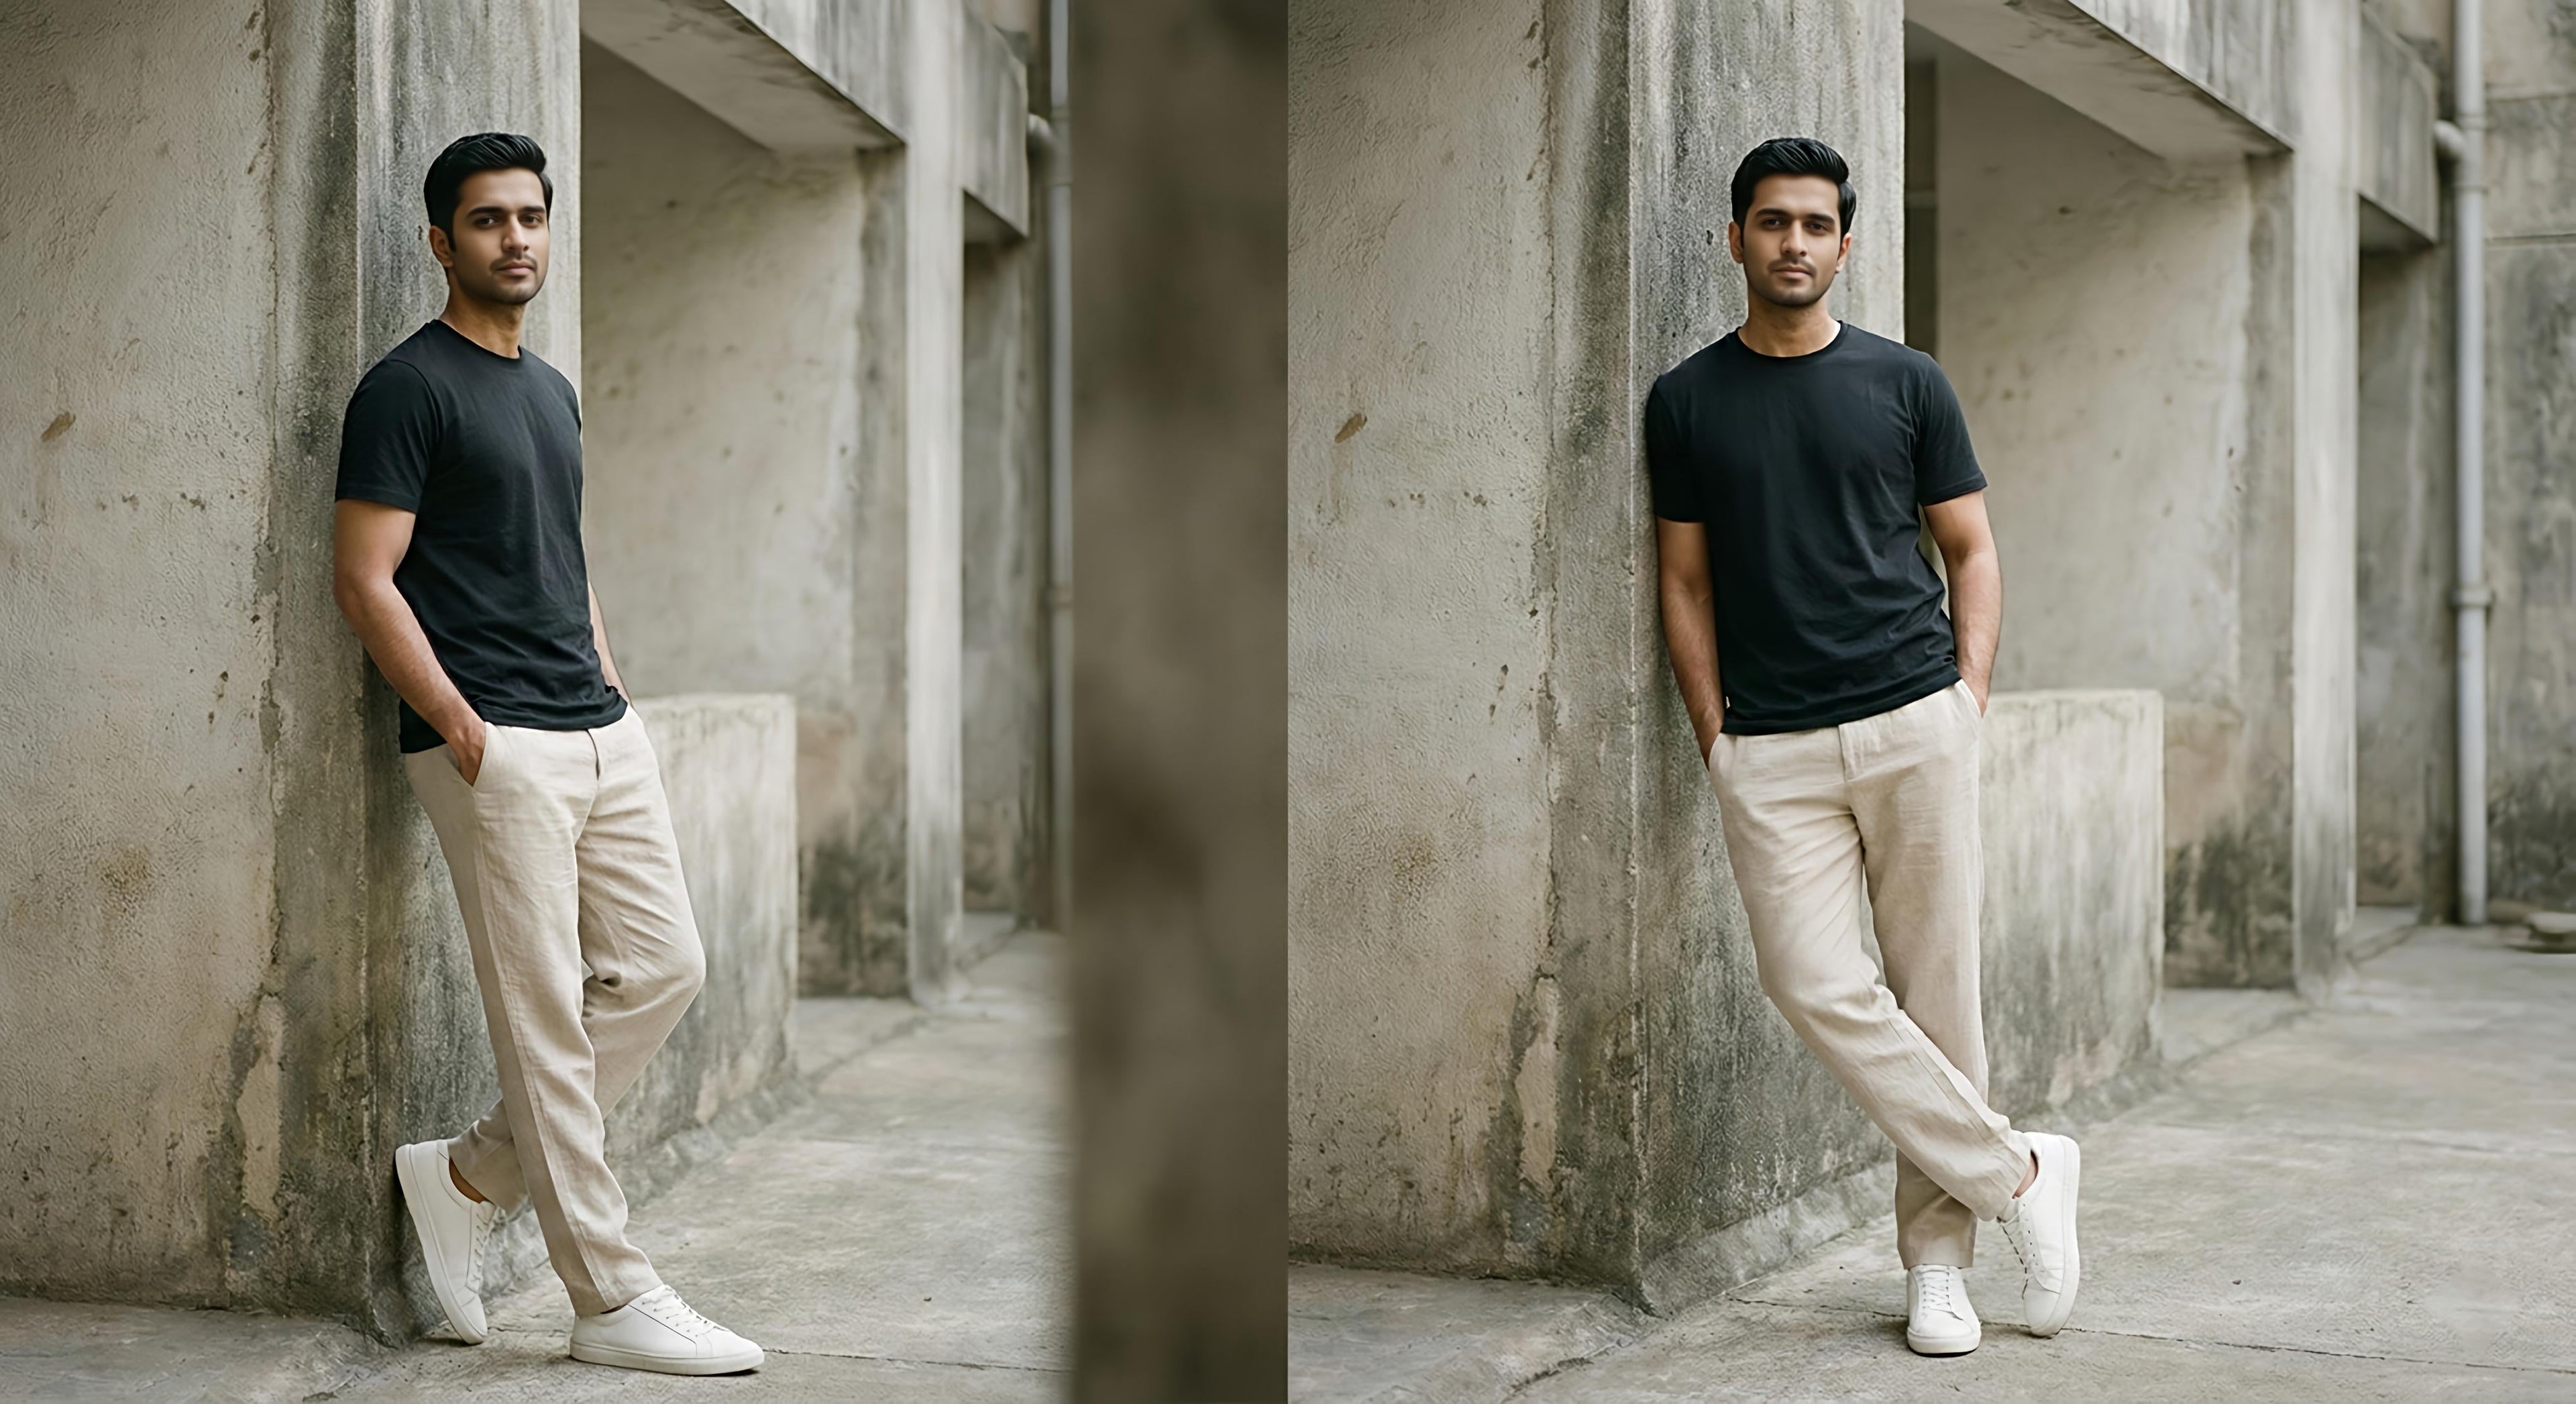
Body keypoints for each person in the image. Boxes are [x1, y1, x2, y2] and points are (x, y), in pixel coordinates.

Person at [330, 131, 762, 1376]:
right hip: (494, 746)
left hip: (596, 725)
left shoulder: (553, 389)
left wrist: (611, 684)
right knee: (544, 1026)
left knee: (665, 967)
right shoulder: (406, 390)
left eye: (530, 217)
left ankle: (465, 1174)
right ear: (439, 241)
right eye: (486, 221)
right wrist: (466, 733)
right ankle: (609, 1296)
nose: (515, 239)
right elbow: (366, 581)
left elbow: (558, 562)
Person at [1646, 136, 2081, 1358]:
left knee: (1942, 997)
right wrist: (1715, 734)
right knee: (1813, 982)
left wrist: (1967, 698)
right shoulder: (1685, 400)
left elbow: (1972, 549)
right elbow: (1683, 580)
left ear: (1847, 242)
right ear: (1734, 238)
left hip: (1911, 720)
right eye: (1772, 222)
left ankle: (1938, 1267)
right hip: (1769, 748)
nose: (1794, 242)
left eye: (1816, 224)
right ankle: (2024, 1173)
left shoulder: (1906, 383)